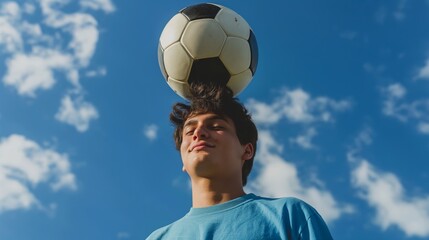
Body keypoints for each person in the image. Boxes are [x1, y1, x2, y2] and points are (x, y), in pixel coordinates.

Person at [147, 83, 333, 240]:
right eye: (189, 131)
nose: (199, 133)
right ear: (183, 160)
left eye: (216, 126)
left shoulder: (290, 215)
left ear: (247, 150)